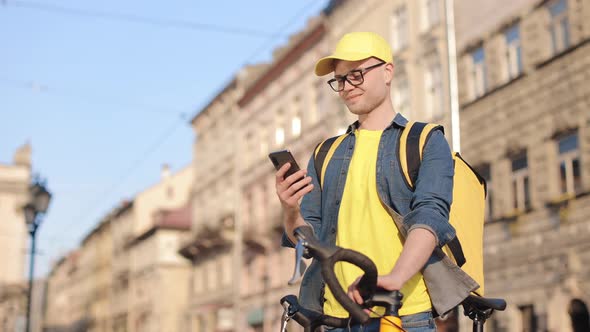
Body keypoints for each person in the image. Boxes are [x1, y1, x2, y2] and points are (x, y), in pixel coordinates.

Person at [275, 31, 459, 332]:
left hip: (403, 315)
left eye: (356, 75)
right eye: (340, 79)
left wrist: (392, 279)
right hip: (335, 320)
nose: (346, 86)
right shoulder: (325, 152)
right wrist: (290, 210)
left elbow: (430, 218)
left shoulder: (425, 140)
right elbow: (307, 242)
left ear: (387, 71)